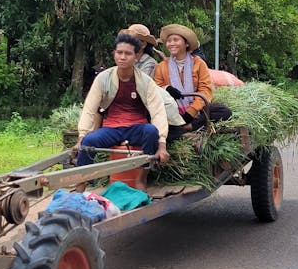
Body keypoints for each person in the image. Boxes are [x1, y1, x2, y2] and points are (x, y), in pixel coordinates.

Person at [74, 33, 170, 167]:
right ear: (114, 54)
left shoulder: (145, 81)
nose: (123, 57)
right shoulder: (103, 78)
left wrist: (162, 145)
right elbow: (89, 108)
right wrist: (81, 137)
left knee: (151, 131)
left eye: (128, 54)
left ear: (136, 57)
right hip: (111, 129)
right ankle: (81, 182)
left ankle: (142, 175)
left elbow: (158, 112)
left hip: (136, 128)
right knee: (89, 141)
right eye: (119, 52)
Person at [152, 23, 230, 130]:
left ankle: (188, 127)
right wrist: (167, 88)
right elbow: (156, 88)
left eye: (176, 40)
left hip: (196, 110)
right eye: (169, 41)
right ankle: (179, 126)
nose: (171, 44)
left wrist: (191, 112)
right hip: (172, 110)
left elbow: (205, 90)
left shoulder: (199, 63)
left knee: (224, 111)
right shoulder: (161, 67)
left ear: (186, 44)